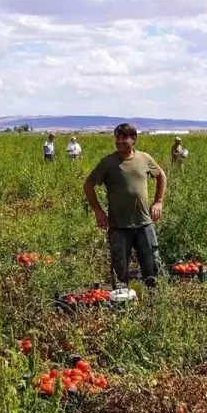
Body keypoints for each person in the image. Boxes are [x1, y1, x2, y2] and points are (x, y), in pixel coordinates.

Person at [84, 123, 167, 289]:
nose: (120, 141)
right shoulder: (108, 162)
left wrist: (158, 201)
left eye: (124, 137)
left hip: (144, 224)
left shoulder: (144, 158)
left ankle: (153, 303)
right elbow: (88, 185)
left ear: (133, 139)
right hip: (119, 226)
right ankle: (121, 305)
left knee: (152, 266)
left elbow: (161, 176)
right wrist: (98, 211)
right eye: (117, 137)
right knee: (120, 270)